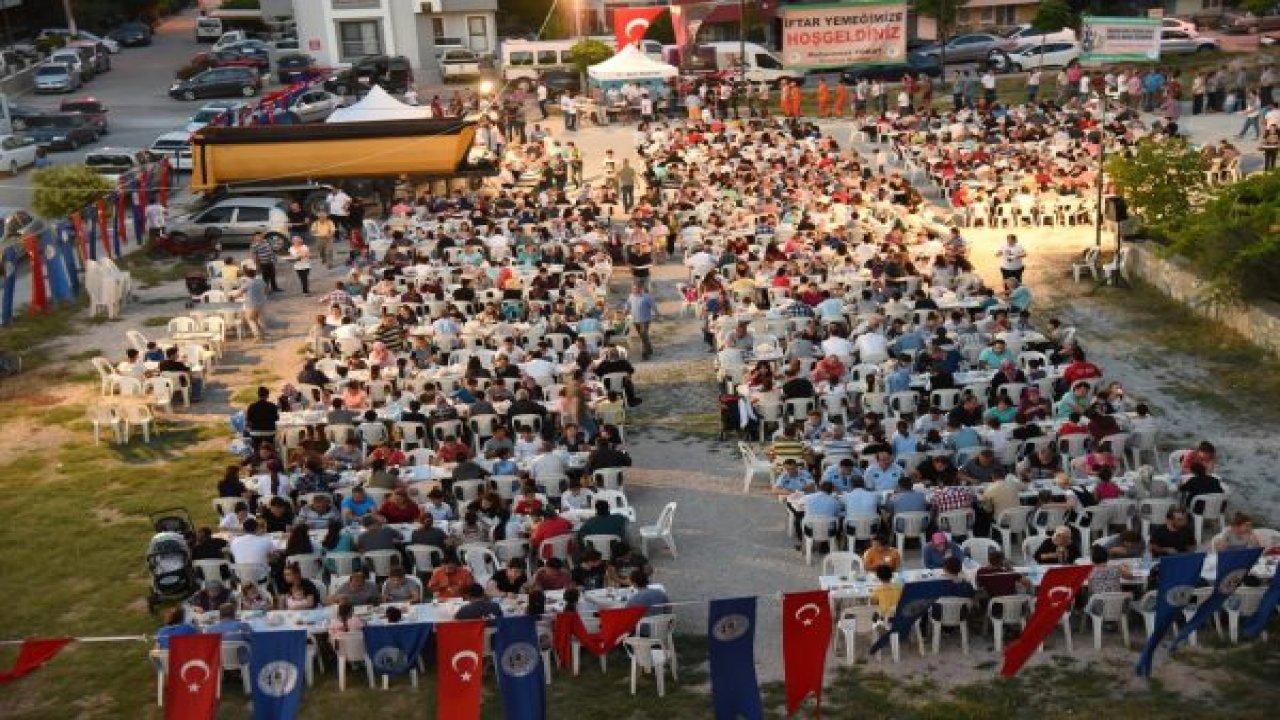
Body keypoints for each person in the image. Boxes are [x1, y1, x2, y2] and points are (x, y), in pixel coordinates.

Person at [234, 267, 269, 341]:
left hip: (251, 305)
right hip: (261, 303)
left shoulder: (246, 284)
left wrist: (234, 296)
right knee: (260, 319)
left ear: (246, 275)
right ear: (255, 274)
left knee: (250, 319)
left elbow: (238, 294)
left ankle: (257, 336)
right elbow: (267, 290)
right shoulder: (261, 281)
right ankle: (263, 334)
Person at [626, 282, 657, 360]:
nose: (634, 290)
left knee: (643, 335)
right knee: (642, 336)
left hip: (645, 320)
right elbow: (628, 305)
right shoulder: (631, 296)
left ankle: (645, 354)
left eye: (636, 289)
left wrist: (655, 314)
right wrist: (625, 310)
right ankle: (649, 349)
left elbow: (653, 306)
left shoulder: (647, 297)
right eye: (633, 289)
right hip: (635, 320)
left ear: (640, 289)